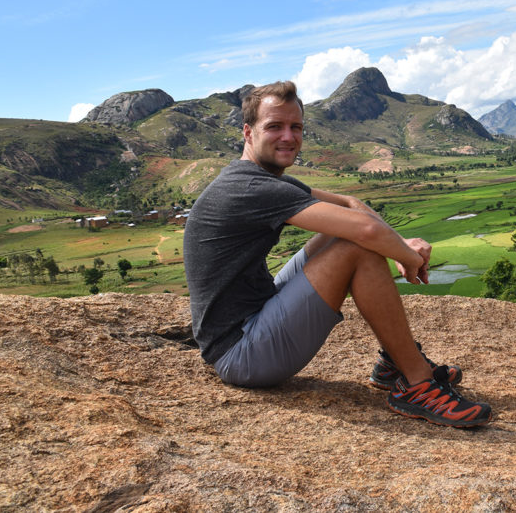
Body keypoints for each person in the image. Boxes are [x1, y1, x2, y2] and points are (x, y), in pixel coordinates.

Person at [183, 80, 491, 428]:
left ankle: (395, 363)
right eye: (274, 126)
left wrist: (399, 242)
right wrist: (408, 255)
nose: (288, 136)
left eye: (295, 127)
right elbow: (367, 231)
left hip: (255, 316)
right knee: (357, 246)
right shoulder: (252, 187)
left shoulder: (256, 177)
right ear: (248, 132)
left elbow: (350, 205)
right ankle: (417, 384)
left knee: (340, 234)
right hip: (241, 354)